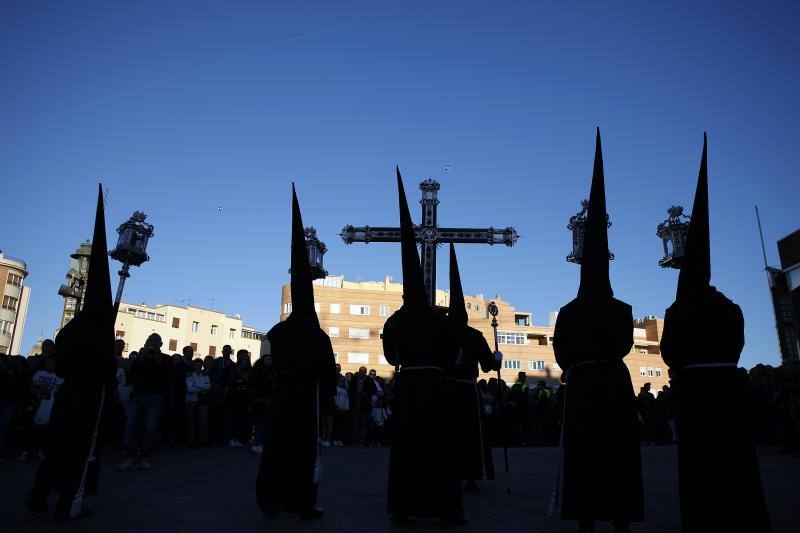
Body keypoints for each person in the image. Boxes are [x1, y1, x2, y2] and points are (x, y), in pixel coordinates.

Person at [659, 134, 771, 532]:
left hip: (695, 395)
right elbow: (738, 346)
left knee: (700, 467)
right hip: (729, 390)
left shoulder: (678, 308)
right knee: (737, 463)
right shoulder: (730, 307)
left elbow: (669, 353)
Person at [553, 130, 644, 533]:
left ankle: (586, 515)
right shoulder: (621, 309)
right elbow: (624, 344)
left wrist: (577, 363)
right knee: (616, 450)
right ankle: (620, 515)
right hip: (613, 381)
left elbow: (559, 353)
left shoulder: (569, 311)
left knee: (585, 450)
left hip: (584, 383)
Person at [27, 185, 117, 520]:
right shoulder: (96, 330)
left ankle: (38, 495)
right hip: (90, 393)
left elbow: (62, 360)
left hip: (69, 391)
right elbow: (105, 365)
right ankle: (68, 503)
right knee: (81, 448)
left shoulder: (70, 330)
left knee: (57, 447)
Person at [382, 168, 464, 525]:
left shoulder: (396, 320)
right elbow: (449, 355)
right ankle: (445, 509)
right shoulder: (438, 319)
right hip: (434, 385)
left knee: (406, 448)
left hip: (407, 385)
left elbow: (389, 355)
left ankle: (403, 507)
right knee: (438, 447)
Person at [255, 184, 336, 520]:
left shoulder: (280, 329)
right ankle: (303, 502)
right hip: (306, 395)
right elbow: (328, 371)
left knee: (276, 447)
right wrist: (328, 406)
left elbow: (264, 352)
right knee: (303, 448)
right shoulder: (316, 334)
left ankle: (269, 501)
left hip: (283, 392)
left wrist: (273, 373)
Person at [444, 243, 502, 490]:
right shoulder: (474, 335)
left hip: (445, 390)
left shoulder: (440, 334)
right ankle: (469, 475)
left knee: (448, 433)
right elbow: (488, 366)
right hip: (467, 390)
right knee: (469, 434)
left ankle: (447, 473)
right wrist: (497, 358)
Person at [116, 333, 170, 471]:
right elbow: (132, 374)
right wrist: (142, 358)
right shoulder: (141, 358)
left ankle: (145, 457)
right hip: (139, 395)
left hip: (156, 397)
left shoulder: (165, 359)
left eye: (156, 341)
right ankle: (130, 457)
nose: (153, 343)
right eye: (150, 340)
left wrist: (156, 359)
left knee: (150, 428)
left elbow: (167, 375)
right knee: (131, 426)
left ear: (161, 344)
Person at [226, 349, 252, 447]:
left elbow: (251, 381)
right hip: (235, 395)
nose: (245, 360)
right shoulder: (234, 368)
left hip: (245, 396)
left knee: (243, 418)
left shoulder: (250, 370)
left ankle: (240, 438)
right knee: (234, 417)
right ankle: (232, 438)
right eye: (243, 359)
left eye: (246, 358)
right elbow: (231, 380)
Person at [249, 354, 275, 453]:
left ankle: (259, 442)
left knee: (264, 422)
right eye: (267, 359)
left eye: (270, 360)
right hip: (261, 398)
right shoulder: (260, 372)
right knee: (261, 422)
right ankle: (257, 443)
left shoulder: (270, 371)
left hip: (266, 398)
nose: (269, 361)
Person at [348, 366, 377, 447]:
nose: (362, 372)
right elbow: (350, 390)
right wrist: (355, 393)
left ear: (366, 372)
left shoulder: (369, 380)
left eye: (364, 371)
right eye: (361, 371)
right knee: (355, 424)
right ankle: (355, 441)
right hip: (355, 404)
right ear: (359, 371)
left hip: (365, 405)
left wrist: (366, 393)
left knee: (363, 424)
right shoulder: (354, 379)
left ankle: (361, 441)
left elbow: (374, 391)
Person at [185, 358, 210, 446]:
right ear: (193, 365)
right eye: (196, 365)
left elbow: (208, 387)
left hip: (202, 401)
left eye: (200, 365)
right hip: (191, 401)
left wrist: (196, 386)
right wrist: (201, 390)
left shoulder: (205, 375)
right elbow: (189, 388)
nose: (198, 367)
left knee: (203, 421)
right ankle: (191, 439)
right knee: (190, 421)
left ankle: (203, 440)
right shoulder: (190, 375)